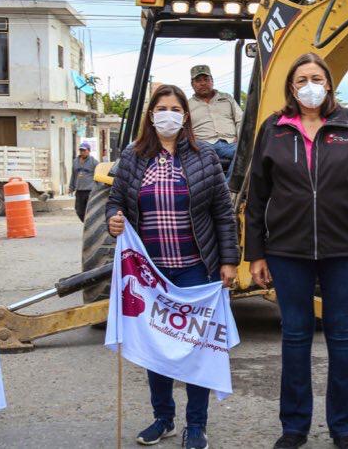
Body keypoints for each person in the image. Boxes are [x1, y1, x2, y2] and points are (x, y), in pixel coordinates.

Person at [245, 52, 348, 449]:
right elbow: (257, 195)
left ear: (329, 84)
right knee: (295, 336)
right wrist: (255, 252)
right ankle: (294, 427)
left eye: (316, 77)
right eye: (301, 79)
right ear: (291, 88)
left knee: (342, 336)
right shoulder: (274, 129)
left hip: (345, 249)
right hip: (287, 250)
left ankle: (344, 429)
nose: (309, 85)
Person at [105, 84, 239, 449]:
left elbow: (223, 214)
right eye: (161, 108)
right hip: (151, 275)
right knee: (158, 349)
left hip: (195, 270)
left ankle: (196, 425)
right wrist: (113, 219)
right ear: (151, 115)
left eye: (175, 108)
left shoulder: (205, 157)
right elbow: (115, 201)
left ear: (185, 115)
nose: (168, 114)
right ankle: (162, 418)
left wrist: (229, 260)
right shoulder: (132, 157)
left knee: (197, 350)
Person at [187, 64, 242, 176]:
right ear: (192, 84)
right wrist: (192, 140)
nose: (203, 83)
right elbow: (184, 129)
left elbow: (240, 120)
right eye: (198, 81)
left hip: (230, 143)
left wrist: (241, 139)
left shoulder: (227, 98)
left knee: (246, 153)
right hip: (203, 144)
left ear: (212, 81)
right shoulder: (187, 105)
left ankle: (229, 190)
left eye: (206, 79)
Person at [70, 141, 99, 222]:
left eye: (84, 150)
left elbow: (98, 177)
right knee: (79, 210)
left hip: (90, 191)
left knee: (90, 209)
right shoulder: (75, 161)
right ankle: (86, 222)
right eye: (81, 150)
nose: (82, 152)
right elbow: (73, 175)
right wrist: (71, 187)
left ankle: (89, 224)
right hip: (79, 190)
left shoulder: (94, 162)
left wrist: (98, 188)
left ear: (89, 151)